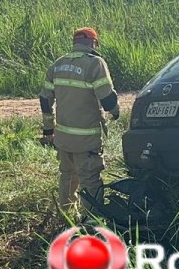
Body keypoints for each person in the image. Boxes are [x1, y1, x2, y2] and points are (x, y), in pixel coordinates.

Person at [39, 27, 120, 215]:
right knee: (90, 179)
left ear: (74, 43)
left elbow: (45, 100)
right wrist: (115, 112)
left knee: (67, 176)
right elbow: (107, 98)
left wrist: (48, 130)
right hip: (86, 138)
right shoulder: (95, 63)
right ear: (93, 43)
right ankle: (91, 221)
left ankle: (66, 215)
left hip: (63, 137)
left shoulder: (57, 64)